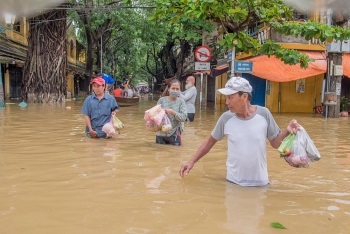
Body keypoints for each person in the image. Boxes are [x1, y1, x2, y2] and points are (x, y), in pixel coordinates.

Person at [179, 76, 301, 186]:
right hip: (233, 183)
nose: (227, 102)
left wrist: (287, 131)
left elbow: (275, 143)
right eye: (226, 98)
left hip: (260, 183)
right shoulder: (226, 118)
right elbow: (209, 142)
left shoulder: (264, 114)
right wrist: (191, 162)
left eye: (231, 97)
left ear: (244, 96)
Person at [156, 79, 187, 146]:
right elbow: (156, 116)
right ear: (168, 89)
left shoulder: (181, 102)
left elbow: (183, 117)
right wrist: (161, 112)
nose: (175, 91)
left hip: (174, 134)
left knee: (175, 155)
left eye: (177, 89)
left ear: (180, 90)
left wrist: (173, 112)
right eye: (173, 88)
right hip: (161, 134)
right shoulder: (161, 100)